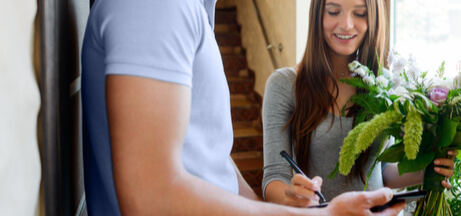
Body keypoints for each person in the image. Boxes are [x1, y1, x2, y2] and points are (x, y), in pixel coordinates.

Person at [81, 0, 405, 215]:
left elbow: (211, 159)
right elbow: (149, 195)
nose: (346, 23)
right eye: (334, 10)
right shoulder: (157, 7)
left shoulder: (192, 14)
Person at [262, 0, 457, 208]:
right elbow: (273, 178)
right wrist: (292, 197)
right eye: (334, 11)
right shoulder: (285, 85)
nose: (346, 24)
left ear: (372, 19)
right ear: (318, 15)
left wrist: (429, 168)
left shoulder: (386, 84)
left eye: (360, 14)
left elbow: (381, 172)